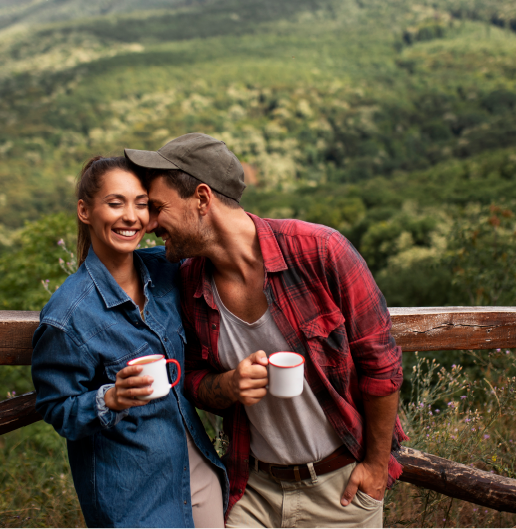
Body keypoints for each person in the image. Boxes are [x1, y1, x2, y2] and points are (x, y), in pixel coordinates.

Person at [125, 133, 408, 528]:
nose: (150, 223)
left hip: (340, 491)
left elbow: (382, 365)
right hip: (251, 489)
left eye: (157, 208)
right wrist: (228, 386)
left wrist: (377, 466)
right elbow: (188, 376)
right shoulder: (188, 283)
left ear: (203, 199)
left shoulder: (321, 252)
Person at [31, 155, 227, 529]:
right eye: (115, 203)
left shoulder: (167, 270)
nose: (131, 217)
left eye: (141, 204)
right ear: (85, 211)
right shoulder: (68, 316)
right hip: (132, 497)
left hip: (198, 473)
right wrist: (109, 399)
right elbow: (57, 408)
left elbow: (219, 247)